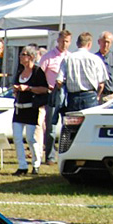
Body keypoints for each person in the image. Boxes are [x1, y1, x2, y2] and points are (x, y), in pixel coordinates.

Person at [11, 45, 49, 176]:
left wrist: (28, 88)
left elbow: (44, 89)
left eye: (24, 54)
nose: (21, 56)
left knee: (31, 138)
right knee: (17, 137)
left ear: (31, 57)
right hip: (18, 109)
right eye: (21, 54)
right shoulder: (20, 71)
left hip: (31, 108)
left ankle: (36, 163)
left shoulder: (38, 71)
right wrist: (16, 89)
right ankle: (22, 165)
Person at [39, 30, 71, 164]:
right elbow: (39, 75)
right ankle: (50, 156)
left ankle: (66, 154)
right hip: (52, 93)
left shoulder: (70, 57)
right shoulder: (48, 57)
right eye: (62, 41)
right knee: (51, 127)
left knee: (68, 126)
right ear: (58, 41)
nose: (64, 44)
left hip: (67, 93)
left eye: (67, 41)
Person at [60, 32, 107, 113]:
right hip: (90, 96)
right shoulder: (95, 59)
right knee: (89, 123)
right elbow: (101, 84)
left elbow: (59, 81)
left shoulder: (68, 58)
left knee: (73, 124)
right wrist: (98, 95)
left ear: (77, 44)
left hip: (73, 97)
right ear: (89, 44)